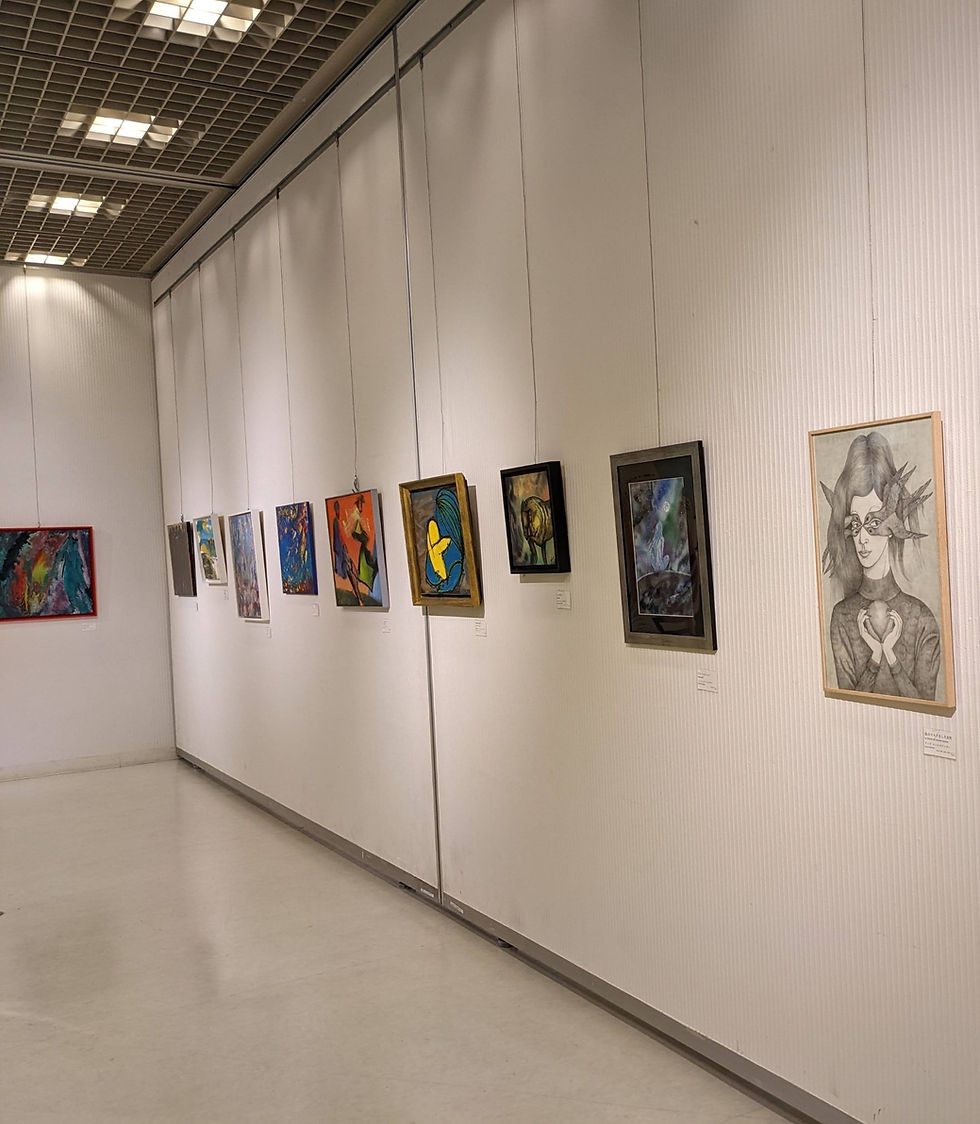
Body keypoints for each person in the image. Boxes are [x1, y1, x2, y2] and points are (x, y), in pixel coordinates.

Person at [820, 431, 939, 699]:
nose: (862, 538)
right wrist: (876, 656)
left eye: (874, 523)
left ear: (893, 525)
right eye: (856, 524)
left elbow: (926, 705)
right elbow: (849, 702)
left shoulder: (922, 619)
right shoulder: (841, 617)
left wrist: (890, 657)